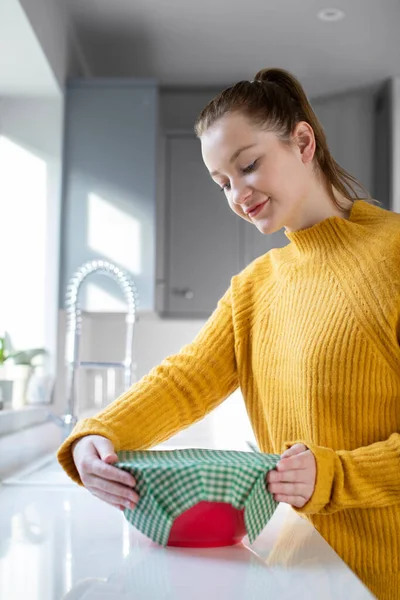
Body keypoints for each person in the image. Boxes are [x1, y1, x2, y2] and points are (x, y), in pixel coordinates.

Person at [57, 67, 400, 600]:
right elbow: (185, 380)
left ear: (302, 141)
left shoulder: (394, 254)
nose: (239, 194)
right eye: (223, 183)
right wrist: (98, 434)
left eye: (249, 165)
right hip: (293, 571)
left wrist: (336, 476)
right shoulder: (254, 287)